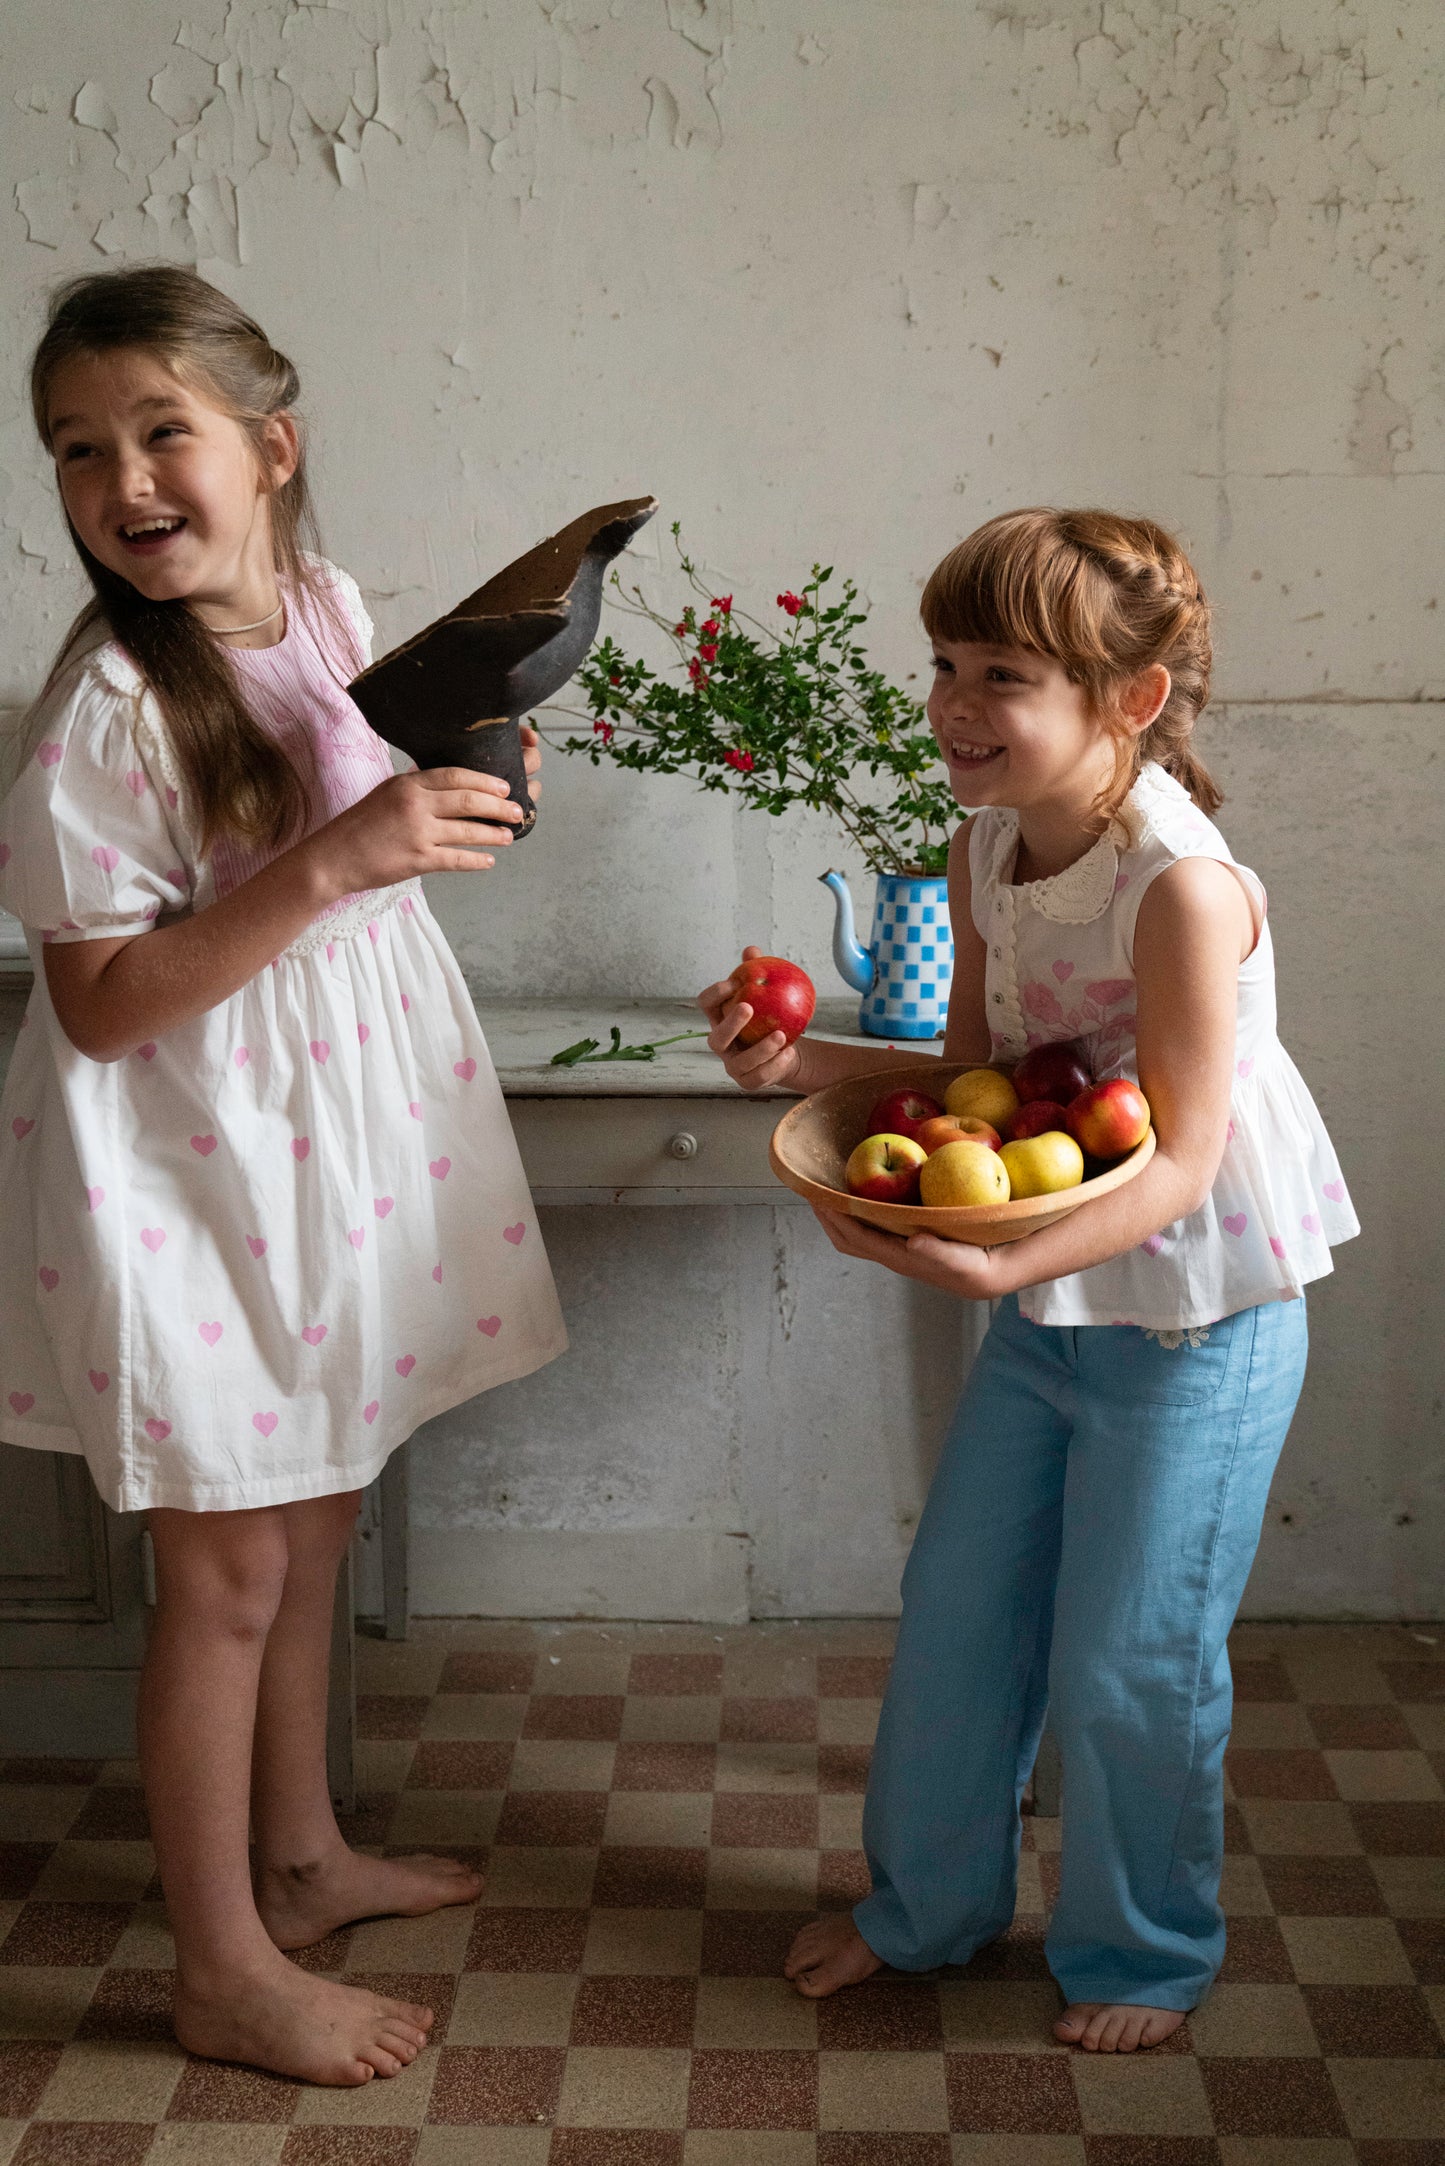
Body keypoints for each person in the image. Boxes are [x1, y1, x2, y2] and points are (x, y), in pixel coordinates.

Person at [0, 266, 568, 2085]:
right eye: (80, 450)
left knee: (310, 1519)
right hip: (185, 1163)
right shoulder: (108, 707)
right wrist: (338, 862)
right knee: (226, 1572)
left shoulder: (325, 609)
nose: (123, 478)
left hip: (323, 1146)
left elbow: (367, 794)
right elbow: (98, 1007)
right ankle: (223, 1961)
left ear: (271, 445)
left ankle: (304, 1858)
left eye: (162, 430)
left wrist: (469, 766)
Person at [699, 507, 1357, 2052]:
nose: (950, 705)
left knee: (1130, 1650)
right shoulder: (982, 842)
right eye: (942, 663)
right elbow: (972, 1075)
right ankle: (921, 1908)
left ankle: (1141, 1946)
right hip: (1063, 1300)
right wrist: (790, 1060)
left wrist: (996, 1276)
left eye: (1001, 673)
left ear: (1126, 701)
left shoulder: (1180, 890)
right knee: (957, 1611)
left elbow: (1185, 1163)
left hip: (1202, 1316)